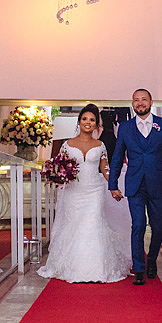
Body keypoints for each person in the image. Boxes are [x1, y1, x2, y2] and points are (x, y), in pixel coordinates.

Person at [38, 104, 131, 283]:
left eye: (92, 120)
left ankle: (97, 268)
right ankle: (73, 267)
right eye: (85, 119)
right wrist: (56, 175)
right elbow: (59, 166)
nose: (88, 123)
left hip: (95, 191)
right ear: (79, 122)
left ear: (97, 124)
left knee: (93, 224)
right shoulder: (67, 144)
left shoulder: (100, 145)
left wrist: (113, 186)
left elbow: (105, 168)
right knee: (75, 225)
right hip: (74, 191)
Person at [109, 88, 162, 285]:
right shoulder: (124, 128)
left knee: (158, 227)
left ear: (150, 102)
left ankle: (152, 261)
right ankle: (139, 268)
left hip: (158, 185)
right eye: (135, 100)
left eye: (143, 100)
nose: (140, 103)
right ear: (132, 104)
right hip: (135, 185)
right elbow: (117, 157)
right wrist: (113, 184)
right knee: (138, 225)